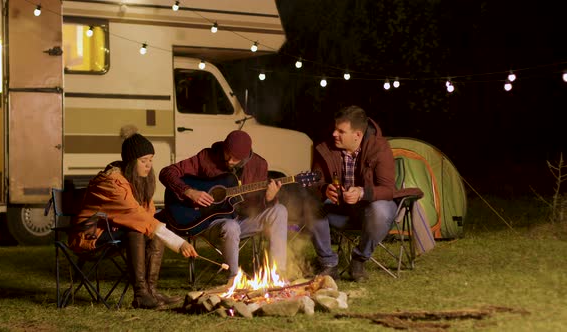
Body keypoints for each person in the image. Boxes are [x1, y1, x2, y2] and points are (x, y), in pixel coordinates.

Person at [70, 125, 198, 309]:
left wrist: (160, 232)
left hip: (112, 231)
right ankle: (140, 294)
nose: (149, 165)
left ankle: (150, 292)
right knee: (138, 231)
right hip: (89, 236)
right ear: (131, 161)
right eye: (144, 160)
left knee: (152, 231)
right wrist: (179, 243)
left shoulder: (137, 181)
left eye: (151, 160)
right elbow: (138, 217)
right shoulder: (113, 185)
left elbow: (149, 217)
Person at [158, 130, 287, 281]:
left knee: (279, 210)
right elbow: (167, 172)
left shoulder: (259, 165)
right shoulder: (207, 157)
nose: (231, 161)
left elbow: (257, 207)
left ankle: (277, 275)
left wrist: (269, 199)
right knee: (231, 226)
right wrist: (189, 191)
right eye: (228, 154)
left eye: (236, 158)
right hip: (213, 223)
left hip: (244, 220)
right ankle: (234, 280)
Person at [307, 105, 397, 282]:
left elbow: (388, 189)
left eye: (341, 131)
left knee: (382, 210)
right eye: (335, 129)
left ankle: (359, 259)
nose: (334, 134)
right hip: (338, 210)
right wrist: (325, 189)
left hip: (367, 211)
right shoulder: (325, 148)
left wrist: (362, 193)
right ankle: (328, 263)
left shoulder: (379, 147)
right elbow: (314, 182)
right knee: (308, 205)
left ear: (357, 135)